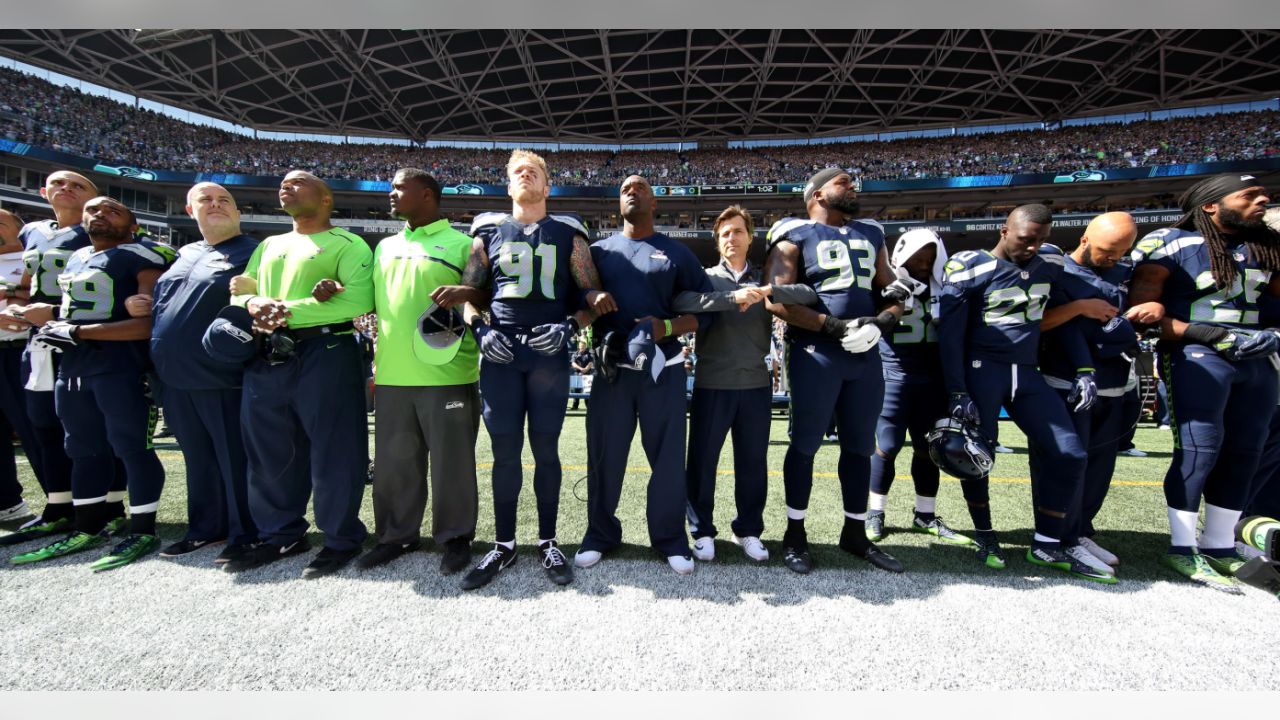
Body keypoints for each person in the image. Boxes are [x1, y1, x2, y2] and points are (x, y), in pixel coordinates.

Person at [438, 150, 615, 590]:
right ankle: (503, 544)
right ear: (508, 184)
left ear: (547, 186)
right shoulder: (488, 233)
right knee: (503, 451)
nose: (526, 175)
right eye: (518, 171)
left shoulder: (569, 234)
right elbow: (469, 297)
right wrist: (481, 333)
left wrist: (571, 326)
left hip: (548, 355)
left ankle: (548, 541)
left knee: (547, 449)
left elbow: (593, 297)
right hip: (501, 356)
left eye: (534, 171)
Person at [937, 203, 1113, 583]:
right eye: (1026, 239)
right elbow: (949, 337)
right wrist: (956, 390)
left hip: (1027, 373)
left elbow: (1067, 320)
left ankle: (1046, 543)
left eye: (1041, 240)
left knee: (1070, 453)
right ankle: (985, 534)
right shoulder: (970, 265)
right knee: (975, 457)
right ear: (1004, 230)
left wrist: (1085, 369)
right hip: (982, 371)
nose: (1033, 247)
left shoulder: (1049, 266)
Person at [1127, 173, 1280, 593]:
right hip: (1199, 354)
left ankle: (1219, 545)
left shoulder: (1267, 245)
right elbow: (1143, 312)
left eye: (1263, 194)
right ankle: (1181, 545)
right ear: (1211, 205)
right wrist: (1204, 333)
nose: (1263, 199)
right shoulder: (1171, 242)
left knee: (1246, 449)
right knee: (1200, 448)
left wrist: (1275, 334)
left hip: (1256, 358)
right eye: (1249, 195)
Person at [224, 170, 374, 579]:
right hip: (267, 353)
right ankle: (280, 534)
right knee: (267, 448)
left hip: (326, 350)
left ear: (326, 199)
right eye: (283, 183)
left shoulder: (349, 243)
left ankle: (341, 538)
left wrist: (283, 311)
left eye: (299, 182)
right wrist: (255, 303)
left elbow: (359, 299)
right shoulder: (269, 244)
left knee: (335, 450)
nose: (286, 186)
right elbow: (242, 288)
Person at [10, 196, 172, 570]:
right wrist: (50, 319)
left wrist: (78, 332)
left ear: (133, 226)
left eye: (113, 210)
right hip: (74, 367)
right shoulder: (78, 257)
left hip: (121, 368)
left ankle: (143, 528)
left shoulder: (142, 257)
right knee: (82, 448)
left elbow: (146, 324)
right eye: (94, 210)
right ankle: (88, 526)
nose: (100, 214)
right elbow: (74, 313)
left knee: (133, 447)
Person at [763, 168, 912, 575]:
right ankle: (795, 533)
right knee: (806, 444)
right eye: (842, 181)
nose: (852, 186)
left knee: (860, 447)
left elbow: (893, 292)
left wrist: (880, 323)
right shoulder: (794, 234)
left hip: (863, 355)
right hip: (816, 351)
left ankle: (855, 532)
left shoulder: (871, 233)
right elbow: (775, 299)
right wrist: (834, 326)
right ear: (817, 194)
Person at [575, 175, 712, 575]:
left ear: (655, 203)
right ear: (618, 204)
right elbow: (578, 302)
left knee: (668, 459)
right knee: (604, 456)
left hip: (662, 370)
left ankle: (670, 538)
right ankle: (600, 533)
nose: (632, 191)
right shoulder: (598, 252)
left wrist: (664, 328)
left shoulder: (678, 253)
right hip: (612, 372)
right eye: (624, 189)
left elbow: (700, 316)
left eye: (641, 187)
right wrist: (588, 300)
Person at [350, 168, 482, 576]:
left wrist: (471, 294)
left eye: (398, 187)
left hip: (449, 376)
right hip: (391, 374)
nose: (390, 194)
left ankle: (456, 539)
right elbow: (367, 302)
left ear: (426, 194)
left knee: (452, 465)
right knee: (393, 464)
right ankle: (396, 535)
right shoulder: (384, 247)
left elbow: (484, 298)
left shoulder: (464, 245)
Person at [123, 182, 260, 565]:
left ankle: (246, 532)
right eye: (206, 200)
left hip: (222, 377)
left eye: (225, 201)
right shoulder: (184, 253)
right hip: (173, 377)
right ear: (189, 210)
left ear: (238, 213)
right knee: (197, 459)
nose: (216, 205)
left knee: (235, 460)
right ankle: (205, 527)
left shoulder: (254, 253)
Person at [673, 205, 809, 563]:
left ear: (751, 237)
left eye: (737, 231)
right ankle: (701, 531)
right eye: (724, 234)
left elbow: (807, 294)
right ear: (717, 242)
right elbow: (681, 301)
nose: (731, 238)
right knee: (702, 463)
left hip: (754, 386)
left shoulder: (766, 280)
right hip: (711, 384)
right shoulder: (706, 277)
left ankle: (748, 529)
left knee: (752, 463)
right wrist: (730, 298)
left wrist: (768, 292)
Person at [0, 171, 108, 546]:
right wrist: (16, 300)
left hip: (79, 338)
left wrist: (56, 314)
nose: (66, 189)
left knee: (86, 426)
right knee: (41, 421)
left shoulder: (98, 231)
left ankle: (105, 507)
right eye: (59, 184)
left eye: (78, 186)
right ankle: (57, 505)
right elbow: (29, 284)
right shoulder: (32, 231)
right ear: (43, 192)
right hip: (38, 339)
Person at [1033, 212, 1141, 576]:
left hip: (1115, 380)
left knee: (1099, 468)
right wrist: (1078, 307)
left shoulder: (1124, 272)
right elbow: (1036, 323)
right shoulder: (1054, 270)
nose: (1115, 258)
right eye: (1109, 250)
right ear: (1084, 239)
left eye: (1123, 251)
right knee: (1067, 464)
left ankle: (1079, 531)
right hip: (1067, 381)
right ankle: (1058, 538)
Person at [865, 229, 971, 547]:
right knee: (887, 447)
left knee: (929, 450)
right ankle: (875, 513)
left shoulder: (946, 287)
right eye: (917, 257)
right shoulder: (885, 285)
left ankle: (925, 514)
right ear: (901, 255)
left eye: (930, 257)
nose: (924, 264)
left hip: (932, 380)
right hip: (893, 377)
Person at [0, 208, 40, 523]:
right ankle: (7, 502)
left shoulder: (35, 258)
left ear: (20, 230)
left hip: (22, 350)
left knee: (36, 429)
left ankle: (65, 504)